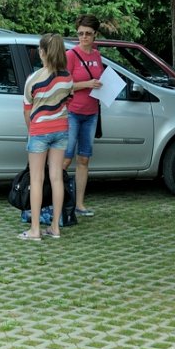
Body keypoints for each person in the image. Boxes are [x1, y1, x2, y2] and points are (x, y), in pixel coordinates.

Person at [19, 33, 74, 241]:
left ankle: (35, 230)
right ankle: (55, 227)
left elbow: (27, 110)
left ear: (42, 52)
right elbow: (68, 101)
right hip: (61, 129)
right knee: (57, 177)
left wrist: (32, 130)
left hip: (39, 131)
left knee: (36, 179)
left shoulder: (33, 79)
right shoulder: (67, 78)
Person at [63, 14, 104, 217]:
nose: (84, 37)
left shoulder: (97, 55)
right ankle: (52, 200)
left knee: (84, 159)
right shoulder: (71, 55)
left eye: (88, 33)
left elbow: (101, 80)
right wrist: (87, 84)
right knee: (65, 158)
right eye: (80, 34)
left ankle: (79, 204)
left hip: (91, 113)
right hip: (72, 112)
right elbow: (63, 85)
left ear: (95, 34)